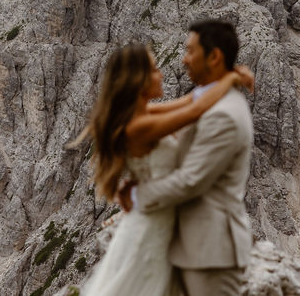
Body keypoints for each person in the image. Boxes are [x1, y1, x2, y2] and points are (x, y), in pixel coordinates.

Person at [78, 34, 253, 296]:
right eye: (155, 70)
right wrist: (230, 78)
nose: (161, 75)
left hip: (159, 226)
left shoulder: (143, 115)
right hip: (152, 232)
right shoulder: (139, 126)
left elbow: (191, 101)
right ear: (139, 81)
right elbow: (194, 111)